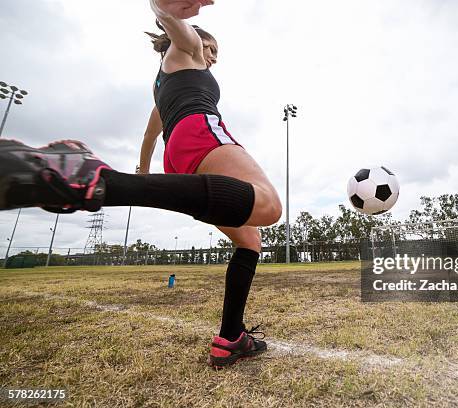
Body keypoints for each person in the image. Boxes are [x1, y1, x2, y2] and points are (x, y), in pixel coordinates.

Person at [0, 0, 281, 368]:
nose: (213, 57)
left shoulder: (161, 83)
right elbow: (171, 22)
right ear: (197, 39)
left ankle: (231, 338)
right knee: (269, 207)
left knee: (250, 240)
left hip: (175, 152)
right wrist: (165, 9)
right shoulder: (189, 48)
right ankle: (100, 182)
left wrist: (144, 171)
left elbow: (151, 133)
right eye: (213, 49)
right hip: (200, 132)